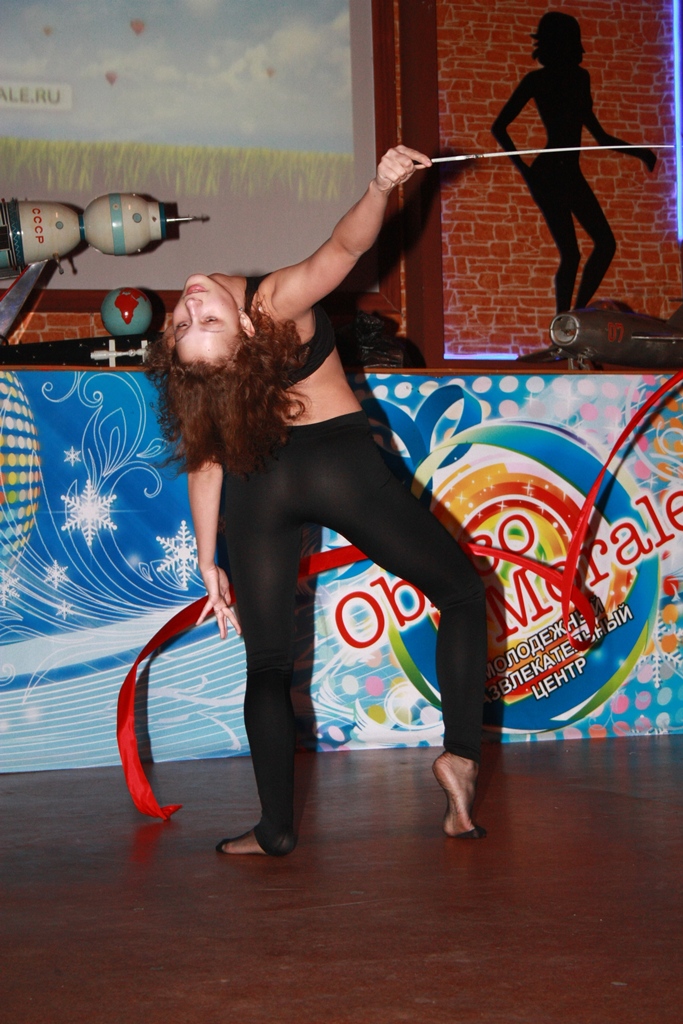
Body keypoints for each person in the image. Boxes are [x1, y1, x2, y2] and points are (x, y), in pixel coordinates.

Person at [146, 145, 488, 856]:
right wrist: (380, 187)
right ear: (248, 332)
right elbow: (343, 250)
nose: (190, 311)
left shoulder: (243, 330)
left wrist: (210, 555)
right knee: (459, 594)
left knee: (268, 665)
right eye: (197, 325)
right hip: (337, 466)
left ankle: (275, 828)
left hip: (258, 483)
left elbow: (208, 458)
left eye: (188, 323)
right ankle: (458, 757)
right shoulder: (271, 304)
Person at [491, 11, 656, 313]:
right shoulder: (537, 80)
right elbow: (499, 127)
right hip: (548, 174)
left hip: (568, 173)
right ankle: (566, 321)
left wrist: (640, 152)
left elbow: (599, 135)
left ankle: (576, 315)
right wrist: (525, 170)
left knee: (604, 244)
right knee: (572, 254)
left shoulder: (580, 78)